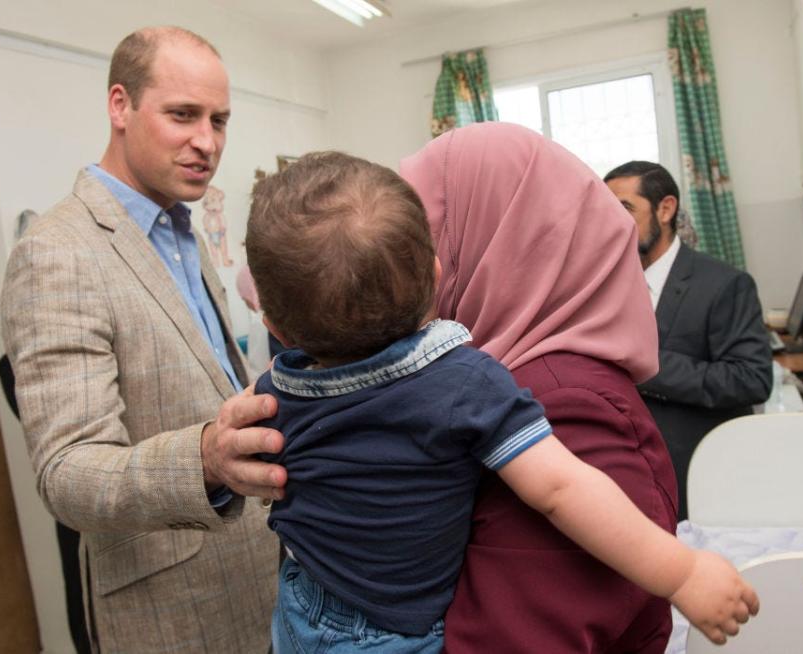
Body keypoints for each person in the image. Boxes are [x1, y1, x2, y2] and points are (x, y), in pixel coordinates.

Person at [247, 148, 757, 654]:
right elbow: (561, 488)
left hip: (299, 611)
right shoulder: (471, 384)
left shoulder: (574, 406)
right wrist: (683, 571)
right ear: (436, 270)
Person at [1, 26, 285, 653]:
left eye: (220, 120)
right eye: (183, 115)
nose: (206, 142)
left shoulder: (182, 230)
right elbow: (67, 470)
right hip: (173, 616)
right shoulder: (56, 253)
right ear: (120, 106)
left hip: (258, 587)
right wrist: (206, 460)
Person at [603, 161, 773, 520]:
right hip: (619, 479)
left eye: (625, 210)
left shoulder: (724, 284)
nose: (612, 223)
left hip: (696, 477)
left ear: (666, 209)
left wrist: (643, 365)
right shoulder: (601, 285)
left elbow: (751, 379)